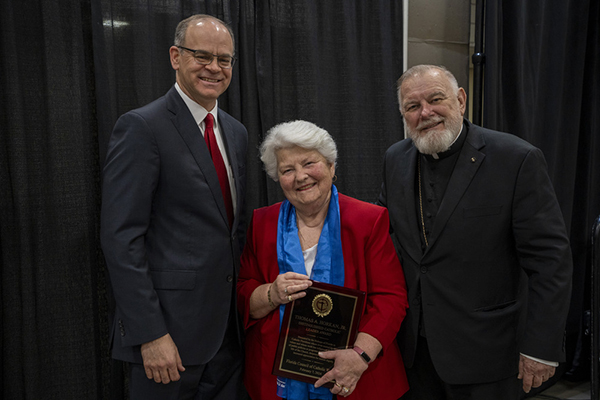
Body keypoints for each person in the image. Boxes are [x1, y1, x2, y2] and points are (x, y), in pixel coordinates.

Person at [377, 64, 573, 399]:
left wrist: (541, 348)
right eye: (412, 106)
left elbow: (550, 262)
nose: (425, 112)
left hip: (489, 354)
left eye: (436, 99)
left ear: (461, 100)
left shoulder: (516, 159)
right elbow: (382, 240)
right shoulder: (395, 158)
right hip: (415, 354)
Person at [101, 14, 249, 399]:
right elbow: (121, 239)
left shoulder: (236, 132)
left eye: (224, 59)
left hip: (229, 339)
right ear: (175, 56)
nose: (214, 68)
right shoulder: (142, 127)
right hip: (168, 341)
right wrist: (149, 333)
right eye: (202, 55)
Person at [237, 120, 409, 400]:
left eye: (309, 163)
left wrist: (359, 356)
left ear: (331, 166)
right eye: (287, 170)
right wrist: (271, 293)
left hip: (356, 377)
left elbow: (391, 297)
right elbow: (243, 292)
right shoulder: (262, 222)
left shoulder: (368, 220)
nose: (300, 176)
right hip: (275, 378)